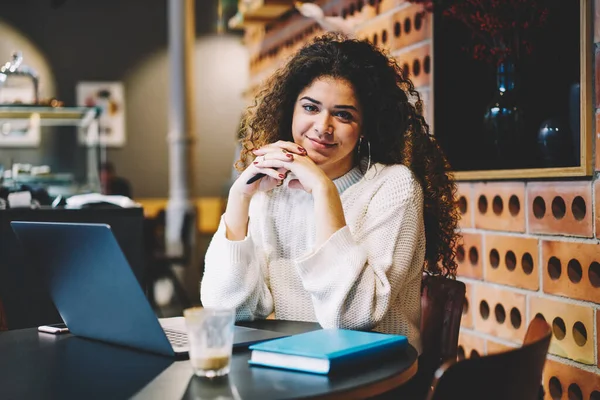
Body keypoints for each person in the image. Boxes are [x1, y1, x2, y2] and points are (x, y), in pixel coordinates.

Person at [200, 33, 460, 355]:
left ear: (364, 127)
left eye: (343, 114)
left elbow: (351, 319)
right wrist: (240, 199)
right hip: (296, 366)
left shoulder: (395, 187)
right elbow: (229, 312)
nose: (323, 126)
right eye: (310, 107)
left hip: (379, 373)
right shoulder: (273, 193)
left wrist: (323, 190)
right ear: (290, 111)